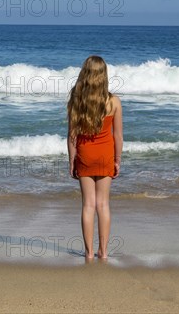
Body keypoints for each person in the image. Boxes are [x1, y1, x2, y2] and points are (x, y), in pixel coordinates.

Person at [66, 55, 123, 261]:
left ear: (85, 74)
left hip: (85, 155)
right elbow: (117, 135)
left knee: (88, 205)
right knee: (103, 205)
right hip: (105, 154)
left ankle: (89, 253)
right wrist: (117, 160)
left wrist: (72, 160)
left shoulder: (77, 99)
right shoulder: (113, 101)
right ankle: (104, 252)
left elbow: (72, 135)